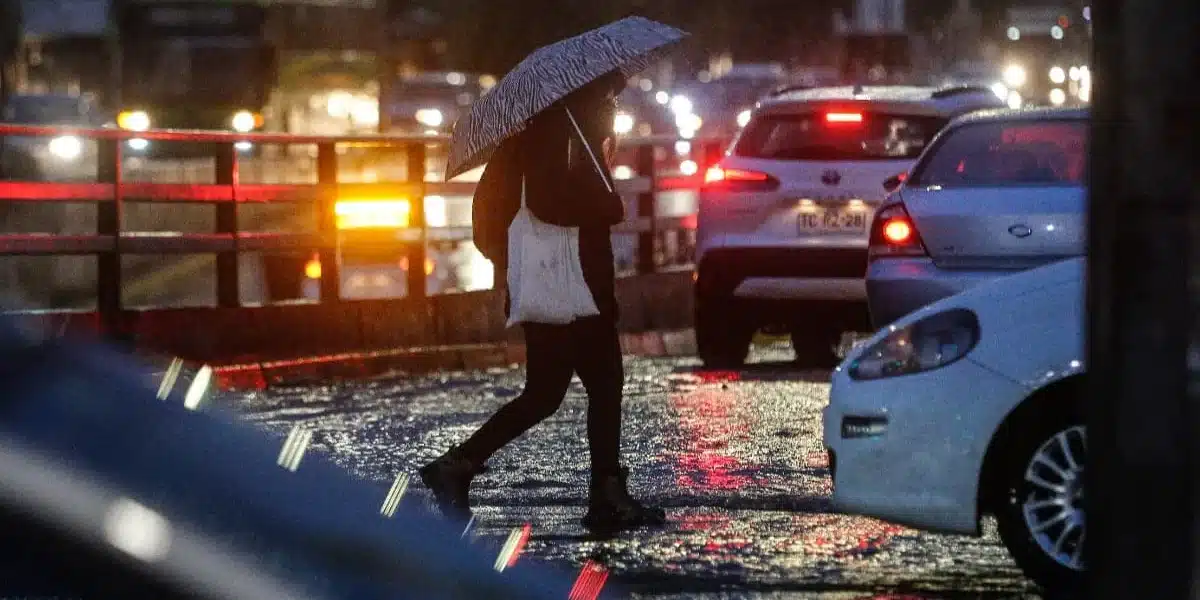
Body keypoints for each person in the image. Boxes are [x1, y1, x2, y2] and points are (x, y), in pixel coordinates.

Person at [420, 71, 667, 533]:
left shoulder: (541, 136)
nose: (613, 106)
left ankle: (461, 465)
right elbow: (552, 203)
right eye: (608, 97)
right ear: (586, 96)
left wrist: (515, 264)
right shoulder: (562, 138)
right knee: (595, 385)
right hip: (572, 290)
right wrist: (607, 204)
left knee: (553, 393)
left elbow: (496, 219)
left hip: (553, 287)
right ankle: (604, 494)